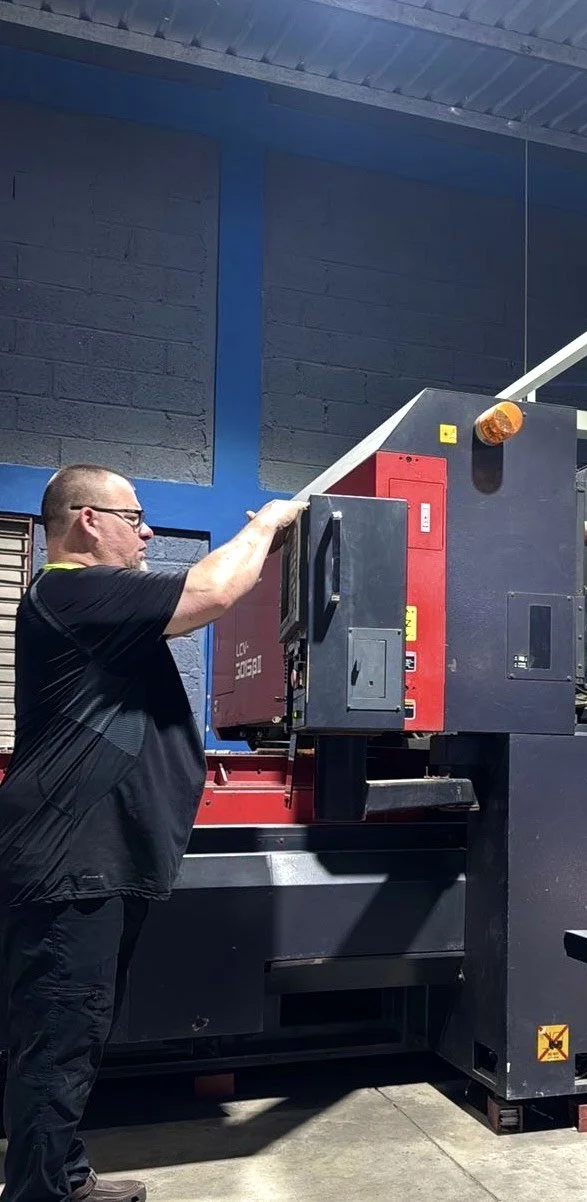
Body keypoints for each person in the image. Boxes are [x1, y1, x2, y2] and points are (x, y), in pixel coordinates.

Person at [0, 464, 303, 1202]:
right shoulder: (69, 588)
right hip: (71, 861)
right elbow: (212, 591)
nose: (148, 531)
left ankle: (60, 1178)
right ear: (85, 520)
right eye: (133, 517)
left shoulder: (91, 605)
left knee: (76, 1033)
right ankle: (40, 1195)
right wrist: (264, 525)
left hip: (97, 859)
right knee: (58, 1040)